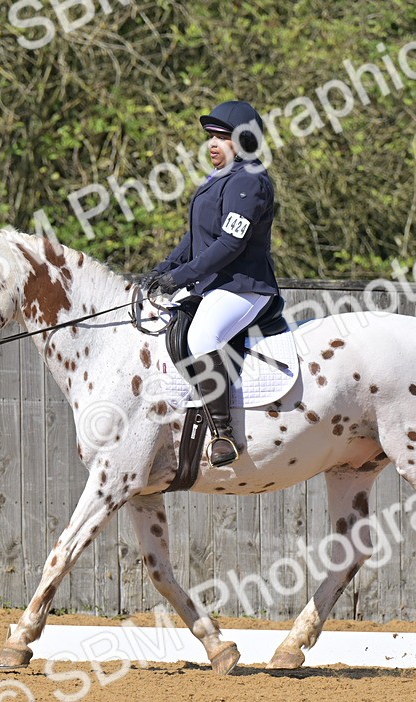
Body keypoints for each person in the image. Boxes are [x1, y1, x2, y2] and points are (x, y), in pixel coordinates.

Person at [139, 100, 280, 467]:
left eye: (222, 137)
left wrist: (180, 278)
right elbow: (196, 238)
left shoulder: (249, 180)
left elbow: (230, 244)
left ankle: (223, 434)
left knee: (202, 337)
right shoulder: (220, 178)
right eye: (211, 137)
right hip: (216, 284)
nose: (212, 144)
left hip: (244, 286)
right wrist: (163, 269)